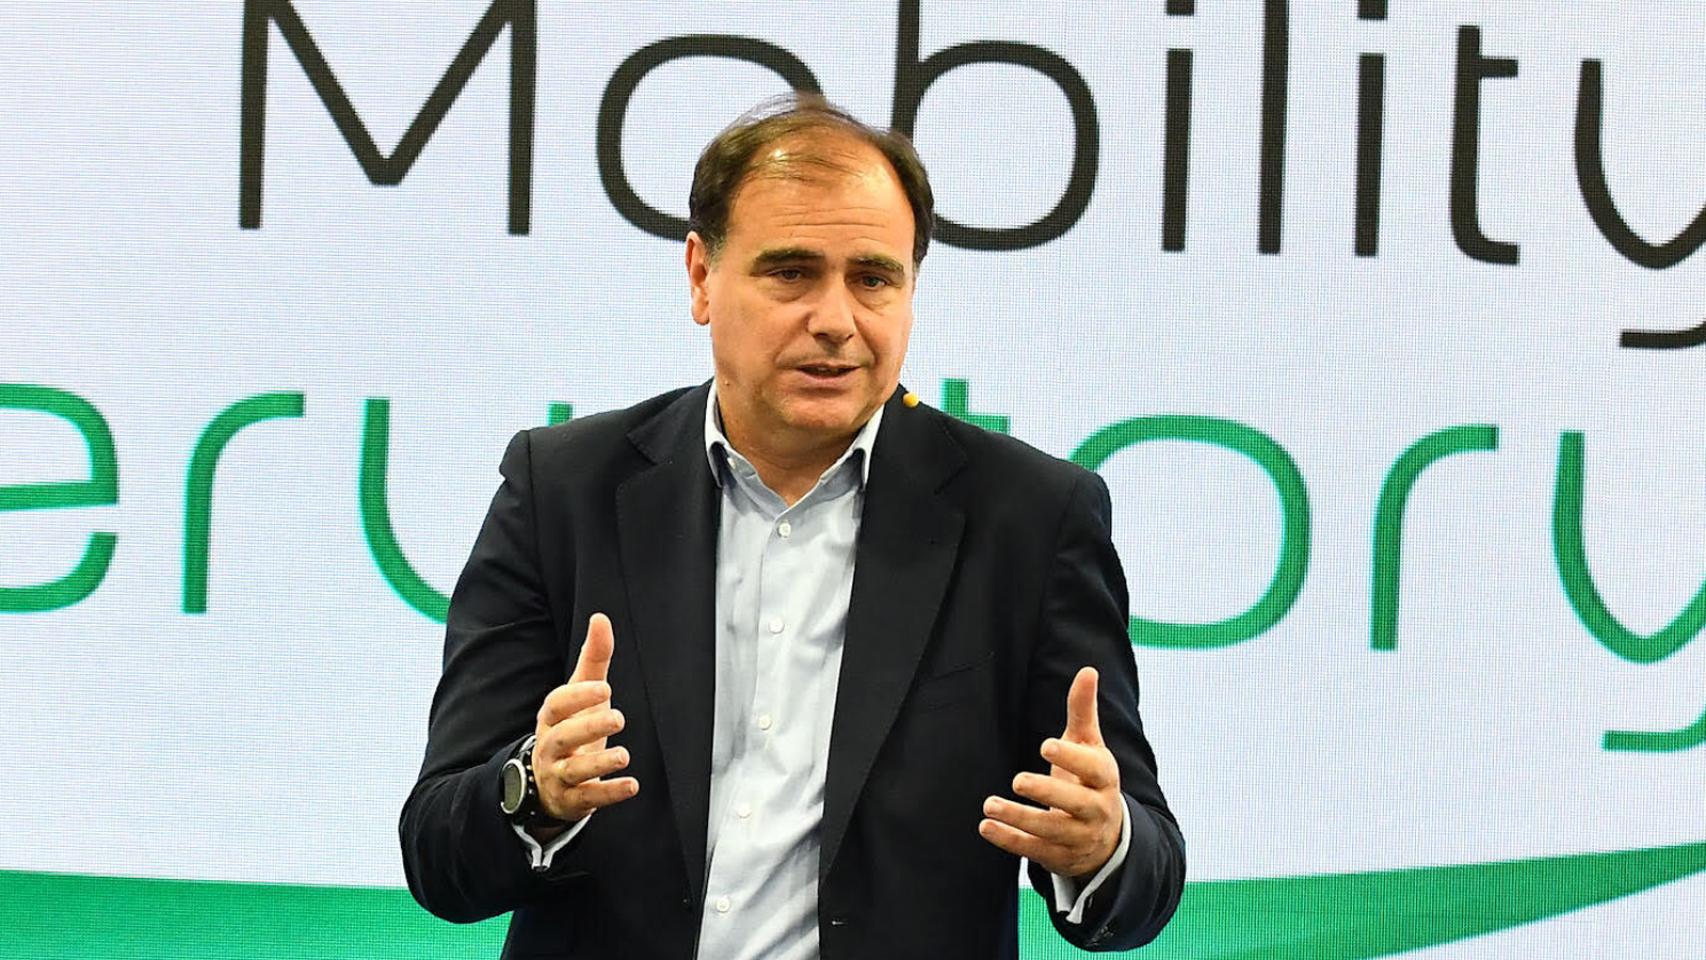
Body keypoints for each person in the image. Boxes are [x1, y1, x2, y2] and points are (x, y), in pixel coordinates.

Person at [399, 94, 1185, 959]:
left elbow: (1145, 875)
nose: (836, 321)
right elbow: (438, 854)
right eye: (792, 273)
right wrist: (535, 791)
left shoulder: (1029, 519)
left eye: (873, 279)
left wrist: (1101, 844)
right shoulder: (564, 490)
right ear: (701, 277)